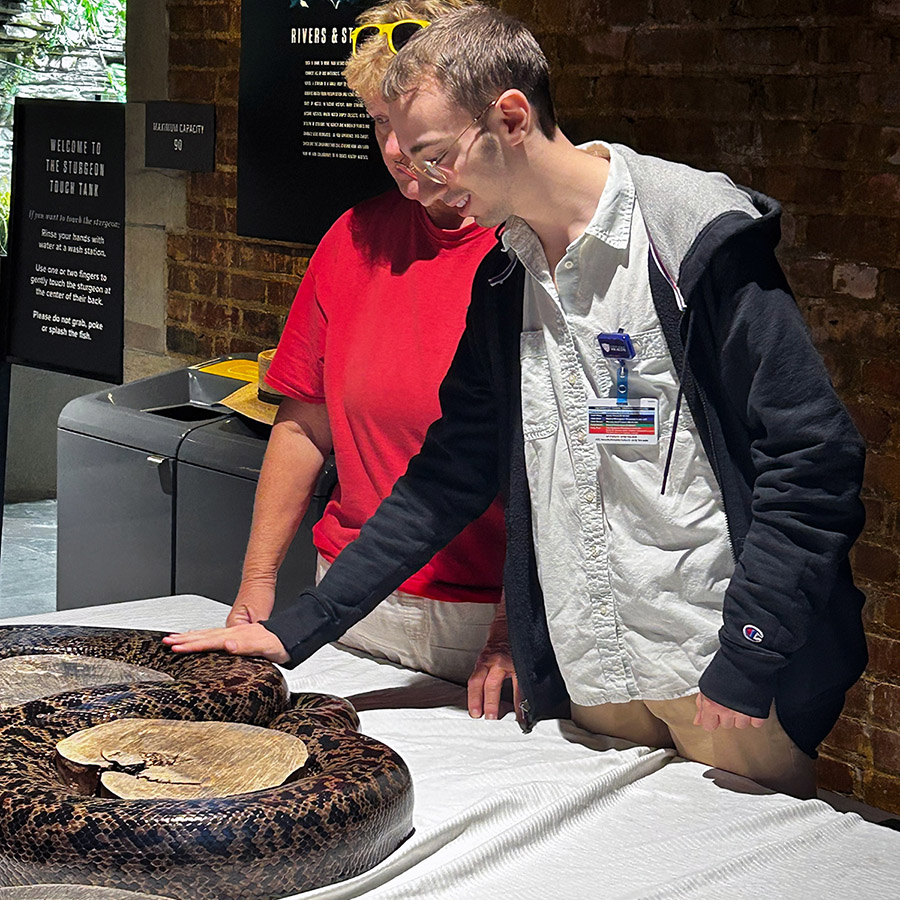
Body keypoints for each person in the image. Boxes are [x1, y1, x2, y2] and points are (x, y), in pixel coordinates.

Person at [166, 7, 868, 797]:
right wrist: (296, 630)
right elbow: (447, 479)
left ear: (510, 116)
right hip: (592, 666)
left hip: (714, 663)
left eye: (437, 156)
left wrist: (752, 645)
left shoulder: (689, 233)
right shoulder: (509, 273)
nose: (426, 184)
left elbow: (815, 460)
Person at [188, 0, 506, 687]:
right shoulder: (354, 238)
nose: (395, 149)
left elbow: (558, 465)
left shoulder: (526, 249)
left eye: (413, 127)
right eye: (379, 123)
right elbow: (304, 423)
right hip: (349, 601)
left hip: (484, 620)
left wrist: (516, 625)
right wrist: (259, 581)